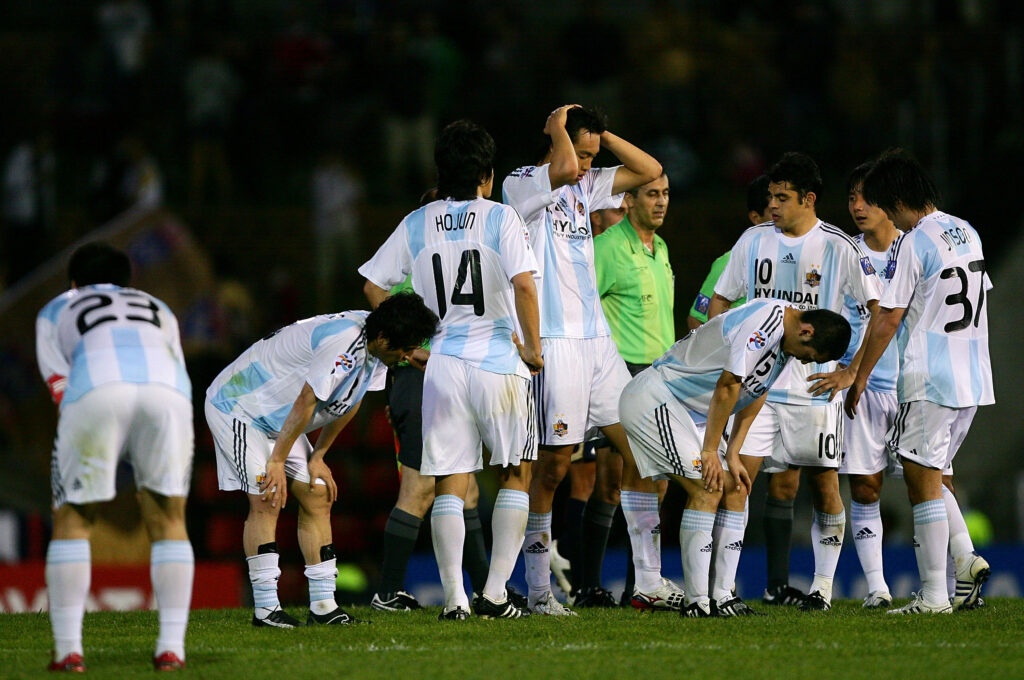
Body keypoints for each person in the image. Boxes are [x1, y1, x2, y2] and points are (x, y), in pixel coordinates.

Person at [361, 119, 543, 621]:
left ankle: (456, 600)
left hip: (442, 366)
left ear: (441, 173)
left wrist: (415, 343)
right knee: (514, 474)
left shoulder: (416, 223)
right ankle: (496, 594)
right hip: (497, 362)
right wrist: (533, 347)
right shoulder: (500, 218)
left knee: (449, 482)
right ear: (487, 175)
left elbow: (375, 288)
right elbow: (525, 287)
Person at [502, 104, 663, 615]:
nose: (590, 165)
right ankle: (539, 589)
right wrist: (559, 129)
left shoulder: (585, 185)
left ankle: (650, 581)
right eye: (584, 150)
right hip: (556, 341)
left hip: (598, 343)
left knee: (643, 452)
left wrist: (603, 134)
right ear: (555, 140)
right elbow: (567, 167)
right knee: (552, 469)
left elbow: (648, 170)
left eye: (595, 155)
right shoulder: (522, 182)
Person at [708, 152, 882, 613]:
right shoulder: (753, 240)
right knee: (735, 483)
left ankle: (822, 588)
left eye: (782, 198)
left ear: (808, 199)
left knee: (825, 487)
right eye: (770, 197)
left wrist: (849, 372)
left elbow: (874, 313)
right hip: (757, 389)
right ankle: (723, 591)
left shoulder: (839, 247)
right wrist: (725, 357)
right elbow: (721, 299)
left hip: (812, 388)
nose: (773, 207)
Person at [205, 292, 438, 628]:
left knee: (317, 494)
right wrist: (277, 462)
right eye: (403, 349)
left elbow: (351, 400)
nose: (405, 356)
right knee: (267, 497)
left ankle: (325, 606)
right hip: (240, 408)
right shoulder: (343, 343)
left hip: (278, 418)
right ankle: (266, 609)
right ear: (384, 338)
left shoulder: (375, 344)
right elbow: (308, 399)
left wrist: (319, 456)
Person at [620, 300, 851, 617]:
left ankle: (707, 594)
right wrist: (709, 451)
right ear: (806, 331)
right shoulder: (764, 324)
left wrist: (732, 452)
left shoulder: (785, 338)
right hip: (658, 398)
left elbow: (758, 390)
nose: (802, 359)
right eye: (808, 355)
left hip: (687, 412)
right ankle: (697, 601)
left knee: (724, 487)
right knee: (707, 487)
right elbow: (729, 384)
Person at [846, 149, 993, 614]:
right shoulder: (966, 230)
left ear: (895, 199)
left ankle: (934, 595)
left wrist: (860, 375)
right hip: (972, 375)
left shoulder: (914, 241)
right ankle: (966, 562)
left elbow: (888, 318)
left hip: (930, 376)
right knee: (935, 474)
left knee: (921, 481)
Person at [37, 243, 194, 671]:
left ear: (74, 283)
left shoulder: (55, 309)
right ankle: (171, 650)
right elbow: (175, 363)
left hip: (96, 389)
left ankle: (69, 650)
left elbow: (60, 387)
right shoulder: (157, 306)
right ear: (128, 283)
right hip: (169, 396)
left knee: (73, 519)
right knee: (170, 519)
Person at [369, 276, 525, 613]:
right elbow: (372, 287)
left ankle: (486, 589)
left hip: (445, 375)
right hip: (421, 377)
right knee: (420, 489)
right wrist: (403, 353)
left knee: (465, 489)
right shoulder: (418, 236)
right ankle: (388, 591)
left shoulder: (451, 241)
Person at [591, 172, 682, 610]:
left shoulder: (659, 247)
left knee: (654, 481)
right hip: (623, 371)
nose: (661, 202)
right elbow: (583, 303)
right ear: (628, 200)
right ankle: (599, 583)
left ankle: (639, 585)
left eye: (665, 194)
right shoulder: (607, 248)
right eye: (652, 194)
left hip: (659, 373)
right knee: (625, 478)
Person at [838, 162, 901, 608]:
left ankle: (959, 576)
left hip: (915, 383)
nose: (858, 206)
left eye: (868, 197)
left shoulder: (916, 247)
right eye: (852, 198)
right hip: (864, 385)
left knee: (936, 481)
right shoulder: (844, 253)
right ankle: (877, 588)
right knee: (865, 485)